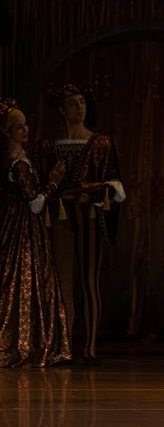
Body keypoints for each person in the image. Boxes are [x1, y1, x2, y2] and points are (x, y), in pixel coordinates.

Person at [33, 84, 126, 365]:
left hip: (89, 216)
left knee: (89, 279)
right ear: (62, 110)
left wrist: (92, 190)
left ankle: (91, 346)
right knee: (62, 281)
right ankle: (63, 345)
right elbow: (40, 185)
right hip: (60, 217)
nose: (79, 107)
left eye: (82, 102)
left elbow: (113, 184)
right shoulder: (47, 146)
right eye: (73, 103)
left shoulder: (101, 144)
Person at [0, 98, 71, 367]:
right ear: (8, 131)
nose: (26, 130)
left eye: (26, 125)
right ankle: (22, 342)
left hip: (23, 227)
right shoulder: (17, 163)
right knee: (21, 278)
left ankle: (26, 339)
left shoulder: (20, 159)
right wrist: (53, 182)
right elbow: (35, 203)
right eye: (19, 127)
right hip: (22, 231)